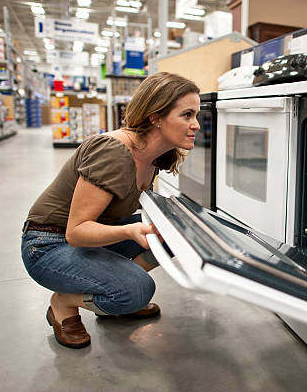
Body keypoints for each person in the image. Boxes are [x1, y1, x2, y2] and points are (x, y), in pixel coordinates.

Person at [21, 72, 201, 349]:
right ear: (155, 117)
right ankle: (64, 302)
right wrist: (130, 230)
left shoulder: (154, 155)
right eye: (187, 115)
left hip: (89, 236)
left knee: (178, 232)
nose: (196, 125)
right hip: (47, 245)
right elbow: (77, 232)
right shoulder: (114, 152)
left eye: (196, 115)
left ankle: (114, 293)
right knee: (138, 289)